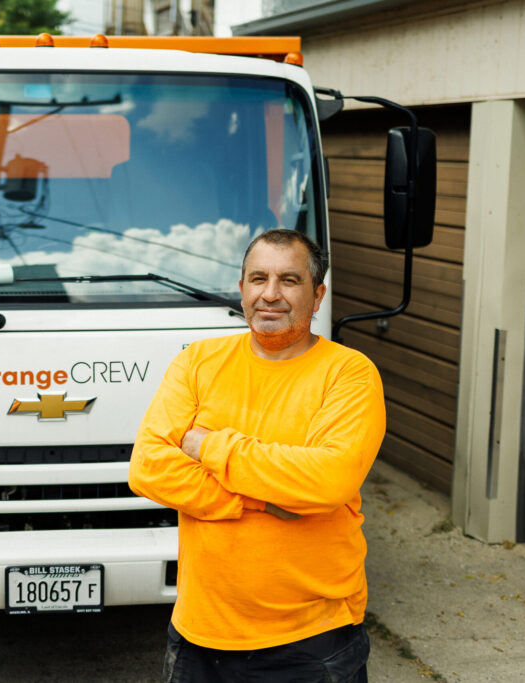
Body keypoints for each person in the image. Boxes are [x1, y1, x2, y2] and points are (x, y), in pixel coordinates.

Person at [129, 229, 385, 682]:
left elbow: (328, 480)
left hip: (311, 640)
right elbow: (148, 468)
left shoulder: (349, 373)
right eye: (258, 278)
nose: (270, 294)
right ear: (241, 288)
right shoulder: (199, 362)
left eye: (289, 280)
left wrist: (209, 445)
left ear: (317, 294)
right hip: (198, 634)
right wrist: (261, 500)